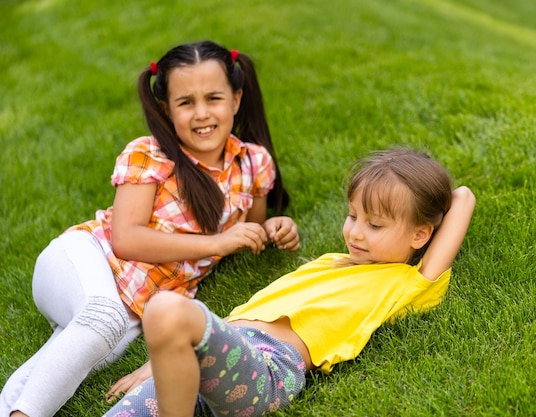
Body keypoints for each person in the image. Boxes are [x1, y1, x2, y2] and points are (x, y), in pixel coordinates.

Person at [0, 40, 300, 417]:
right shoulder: (150, 153)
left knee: (93, 348)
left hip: (137, 306)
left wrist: (274, 226)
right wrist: (217, 242)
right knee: (103, 318)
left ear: (236, 100)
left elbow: (250, 230)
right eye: (186, 102)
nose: (202, 113)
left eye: (214, 98)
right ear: (166, 108)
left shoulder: (253, 163)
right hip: (86, 260)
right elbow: (126, 239)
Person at [103, 148, 476, 417]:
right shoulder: (331, 262)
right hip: (213, 355)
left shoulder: (407, 282)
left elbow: (463, 197)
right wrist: (163, 361)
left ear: (420, 234)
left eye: (375, 225)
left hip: (266, 367)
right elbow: (242, 319)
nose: (356, 233)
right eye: (352, 216)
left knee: (165, 308)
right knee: (166, 320)